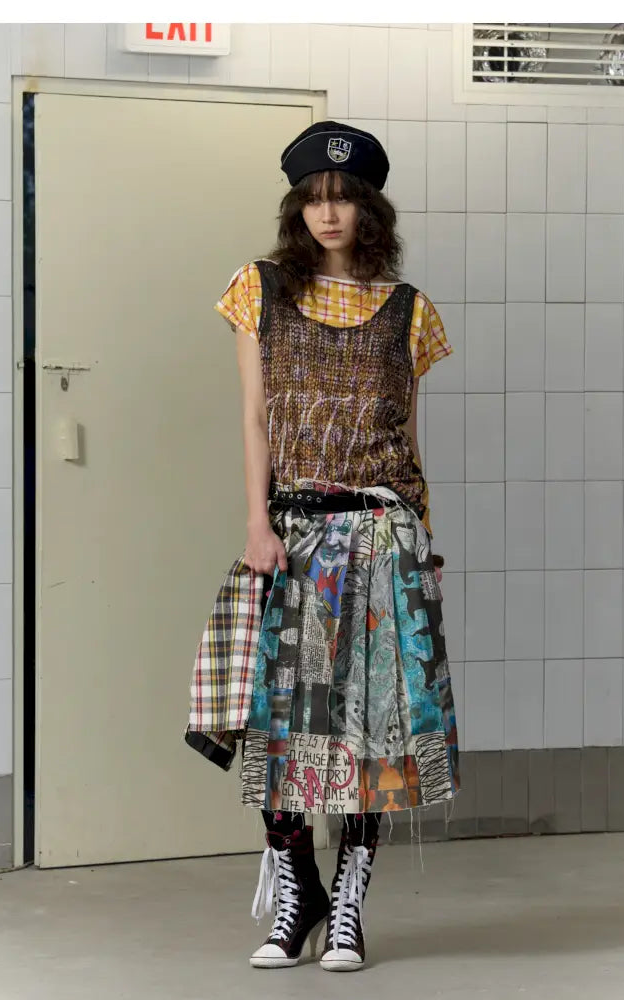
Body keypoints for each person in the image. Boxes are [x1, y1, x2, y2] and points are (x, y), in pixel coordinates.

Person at [190, 121, 460, 972]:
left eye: (343, 198)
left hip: (382, 534)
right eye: (313, 199)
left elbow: (407, 439)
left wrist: (425, 542)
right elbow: (253, 417)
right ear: (296, 208)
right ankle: (298, 886)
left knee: (371, 728)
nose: (328, 213)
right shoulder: (260, 290)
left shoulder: (410, 310)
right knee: (279, 721)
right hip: (295, 533)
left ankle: (349, 904)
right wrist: (257, 523)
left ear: (369, 208)